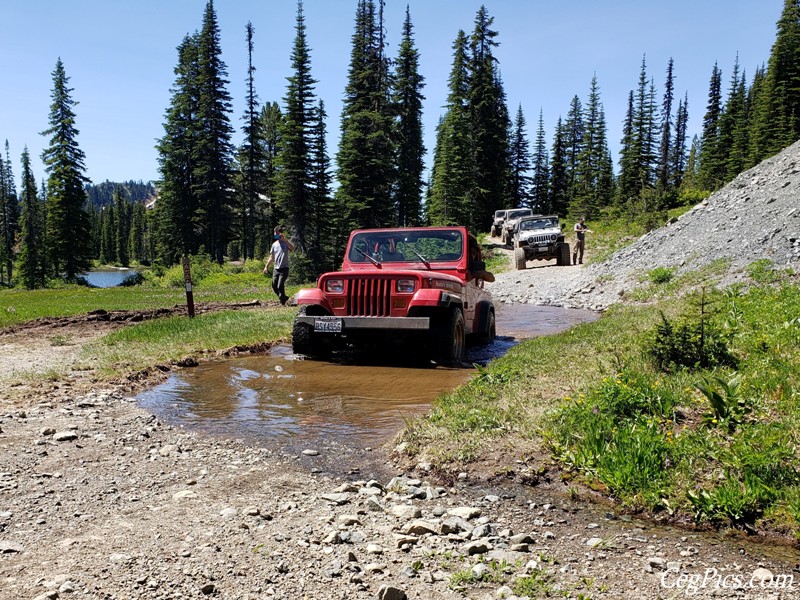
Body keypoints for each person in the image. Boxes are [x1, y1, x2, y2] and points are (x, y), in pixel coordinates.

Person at [264, 226, 295, 305]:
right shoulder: (274, 245)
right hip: (276, 269)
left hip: (284, 268)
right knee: (274, 286)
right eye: (275, 233)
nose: (276, 235)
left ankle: (283, 301)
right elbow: (271, 257)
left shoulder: (285, 243)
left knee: (280, 285)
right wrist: (266, 267)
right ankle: (285, 298)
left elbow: (292, 248)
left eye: (277, 233)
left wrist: (285, 240)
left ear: (281, 234)